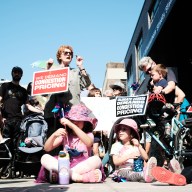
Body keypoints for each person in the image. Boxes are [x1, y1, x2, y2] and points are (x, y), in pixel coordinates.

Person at [36, 103, 103, 183]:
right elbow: (47, 148)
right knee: (45, 157)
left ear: (85, 122)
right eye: (73, 120)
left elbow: (89, 143)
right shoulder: (65, 135)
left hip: (81, 167)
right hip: (64, 164)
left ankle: (64, 175)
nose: (75, 123)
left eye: (78, 120)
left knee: (96, 159)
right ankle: (77, 177)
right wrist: (54, 135)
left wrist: (72, 125)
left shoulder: (88, 134)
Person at [44, 45, 92, 155]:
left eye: (70, 53)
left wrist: (81, 66)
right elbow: (43, 91)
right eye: (65, 53)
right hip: (53, 113)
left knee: (71, 142)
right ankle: (52, 170)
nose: (69, 54)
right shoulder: (52, 70)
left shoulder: (75, 72)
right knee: (54, 144)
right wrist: (48, 70)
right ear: (59, 56)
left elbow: (88, 84)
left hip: (72, 113)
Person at [0, 67, 41, 154]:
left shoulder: (23, 90)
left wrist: (41, 112)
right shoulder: (5, 86)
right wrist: (1, 117)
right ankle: (4, 165)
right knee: (5, 144)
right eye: (15, 72)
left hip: (18, 120)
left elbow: (28, 105)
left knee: (18, 144)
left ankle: (15, 164)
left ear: (21, 75)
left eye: (19, 72)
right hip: (6, 120)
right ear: (12, 73)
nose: (17, 74)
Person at [110, 118, 157, 182]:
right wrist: (128, 156)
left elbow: (146, 158)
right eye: (119, 129)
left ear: (131, 133)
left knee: (138, 172)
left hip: (137, 169)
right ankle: (144, 175)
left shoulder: (136, 146)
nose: (120, 131)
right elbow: (115, 162)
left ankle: (151, 174)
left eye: (124, 129)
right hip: (121, 171)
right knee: (129, 174)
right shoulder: (116, 145)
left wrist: (139, 146)